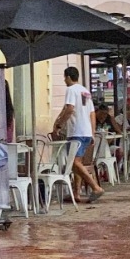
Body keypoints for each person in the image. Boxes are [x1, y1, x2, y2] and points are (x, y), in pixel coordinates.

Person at [51, 66, 104, 202]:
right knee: (78, 162)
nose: (64, 80)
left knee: (74, 163)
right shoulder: (85, 91)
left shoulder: (71, 90)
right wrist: (91, 132)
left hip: (76, 131)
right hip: (86, 131)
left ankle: (95, 187)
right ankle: (76, 193)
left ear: (68, 77)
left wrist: (59, 124)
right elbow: (91, 113)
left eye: (64, 77)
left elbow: (69, 108)